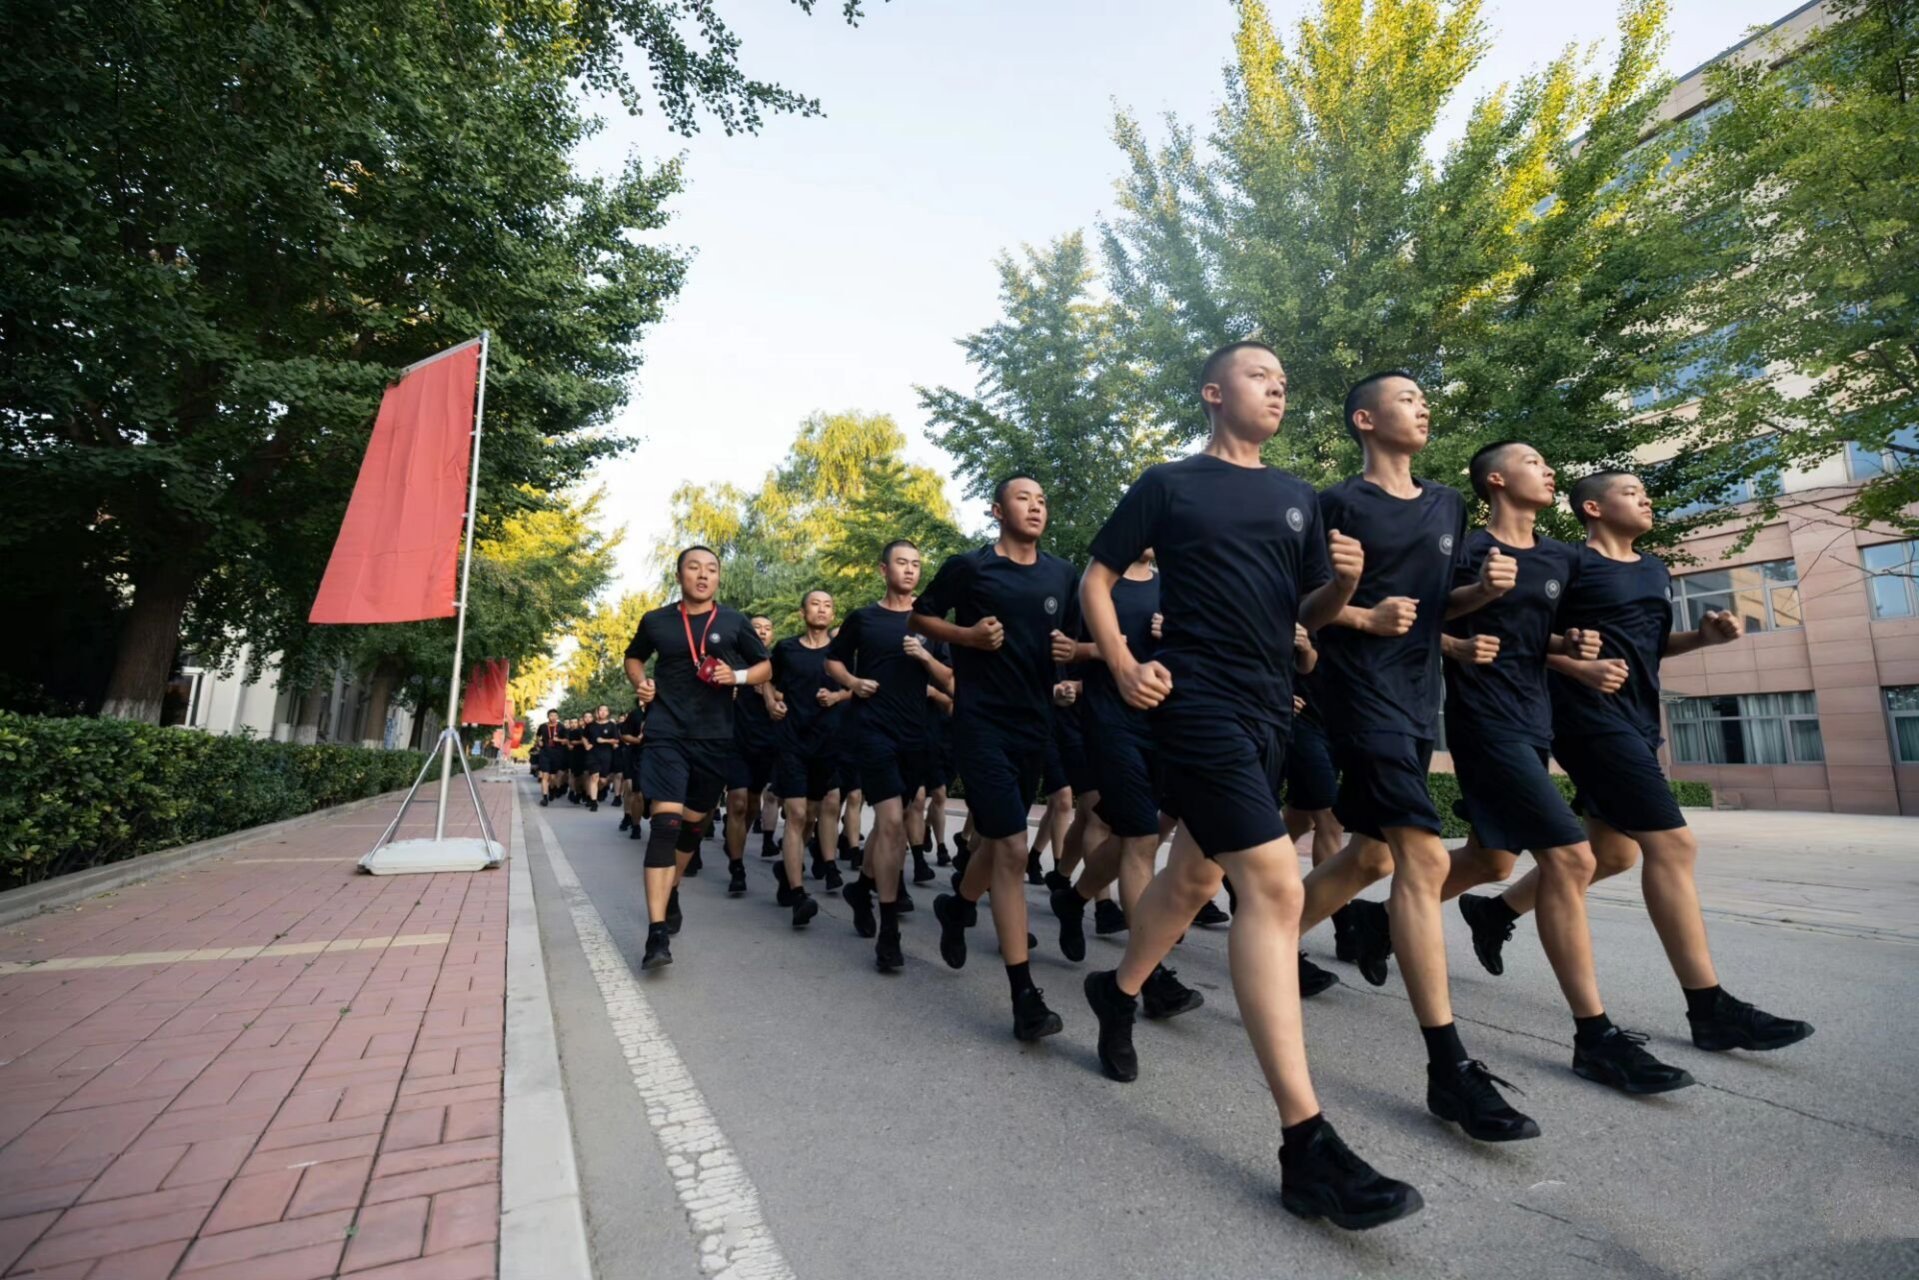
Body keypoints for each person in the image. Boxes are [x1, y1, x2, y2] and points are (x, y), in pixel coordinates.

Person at [1077, 341, 1417, 1229]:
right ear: (1213, 392)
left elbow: (1300, 617)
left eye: (1282, 379)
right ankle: (1306, 1146)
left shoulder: (1299, 497)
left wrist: (1338, 588)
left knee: (1192, 876)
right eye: (1260, 374)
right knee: (1268, 884)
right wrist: (1119, 662)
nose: (1276, 386)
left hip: (1273, 708)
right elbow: (1098, 576)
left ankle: (1113, 993)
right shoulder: (1169, 482)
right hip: (1196, 703)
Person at [1449, 469, 1815, 1056]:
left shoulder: (1652, 569)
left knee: (1614, 853)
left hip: (1640, 720)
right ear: (1592, 508)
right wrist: (1576, 667)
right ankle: (1709, 1006)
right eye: (1629, 491)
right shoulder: (1570, 565)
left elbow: (1648, 645)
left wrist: (1703, 638)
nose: (1645, 498)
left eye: (1646, 491)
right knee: (1673, 846)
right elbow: (1526, 633)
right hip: (1587, 718)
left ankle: (1493, 914)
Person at [1289, 371, 1544, 1145]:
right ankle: (1448, 1069)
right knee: (1422, 860)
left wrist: (1476, 600)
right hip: (1355, 691)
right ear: (1364, 419)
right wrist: (1359, 607)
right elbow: (1302, 612)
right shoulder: (1332, 504)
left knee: (1369, 861)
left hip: (1415, 695)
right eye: (1405, 398)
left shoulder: (1446, 505)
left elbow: (1433, 611)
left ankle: (1261, 939)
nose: (1422, 405)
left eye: (1424, 398)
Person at [1419, 442, 1695, 1093]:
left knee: (1492, 863)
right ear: (1494, 478)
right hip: (1483, 723)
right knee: (1572, 859)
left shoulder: (1557, 558)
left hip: (1534, 723)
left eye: (1550, 461)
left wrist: (1571, 650)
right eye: (1532, 460)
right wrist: (1458, 639)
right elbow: (1408, 619)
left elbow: (1531, 639)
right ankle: (1594, 1037)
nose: (1548, 468)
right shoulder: (1461, 549)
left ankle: (1371, 917)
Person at [914, 475, 1081, 1041]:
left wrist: (1071, 661)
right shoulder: (971, 567)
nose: (1036, 507)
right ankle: (1024, 997)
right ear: (997, 509)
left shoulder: (1063, 574)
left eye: (1042, 500)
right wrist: (965, 637)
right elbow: (919, 618)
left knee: (995, 836)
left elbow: (1077, 640)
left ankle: (958, 905)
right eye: (1023, 498)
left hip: (1036, 726)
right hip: (980, 722)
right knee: (1009, 846)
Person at [624, 546, 773, 969]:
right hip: (666, 730)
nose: (703, 575)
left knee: (693, 824)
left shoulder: (733, 621)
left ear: (718, 578)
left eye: (711, 569)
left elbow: (765, 667)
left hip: (714, 736)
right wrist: (642, 682)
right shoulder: (656, 620)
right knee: (666, 822)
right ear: (680, 575)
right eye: (694, 568)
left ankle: (671, 890)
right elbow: (633, 656)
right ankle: (656, 935)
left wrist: (737, 675)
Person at [828, 540, 954, 971]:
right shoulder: (864, 618)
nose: (910, 570)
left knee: (893, 828)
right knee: (892, 823)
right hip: (873, 730)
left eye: (917, 564)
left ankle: (861, 888)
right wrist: (854, 683)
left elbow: (951, 681)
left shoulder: (931, 624)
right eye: (902, 563)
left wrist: (924, 656)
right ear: (883, 570)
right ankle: (889, 932)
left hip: (915, 734)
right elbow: (834, 662)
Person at [766, 590, 851, 926]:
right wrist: (771, 702)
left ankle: (786, 873)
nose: (822, 609)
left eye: (828, 605)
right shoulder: (786, 649)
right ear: (803, 611)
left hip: (827, 743)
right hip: (791, 741)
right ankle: (800, 895)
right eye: (815, 604)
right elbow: (766, 679)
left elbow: (857, 687)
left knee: (813, 815)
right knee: (797, 813)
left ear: (832, 614)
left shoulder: (841, 652)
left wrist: (838, 694)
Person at [583, 705, 615, 812]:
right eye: (600, 710)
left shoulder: (612, 725)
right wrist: (586, 745)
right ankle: (594, 802)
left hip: (606, 754)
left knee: (602, 780)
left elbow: (616, 740)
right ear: (597, 712)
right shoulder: (591, 725)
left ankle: (601, 789)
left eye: (605, 710)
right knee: (594, 777)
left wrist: (604, 741)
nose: (602, 712)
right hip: (592, 754)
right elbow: (584, 736)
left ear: (608, 713)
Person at [536, 710, 565, 806]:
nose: (553, 717)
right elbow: (537, 736)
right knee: (545, 776)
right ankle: (544, 798)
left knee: (553, 777)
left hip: (557, 754)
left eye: (555, 715)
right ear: (548, 716)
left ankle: (552, 789)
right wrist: (538, 742)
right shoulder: (543, 726)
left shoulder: (561, 727)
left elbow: (566, 740)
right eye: (551, 715)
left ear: (558, 717)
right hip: (545, 753)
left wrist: (559, 740)